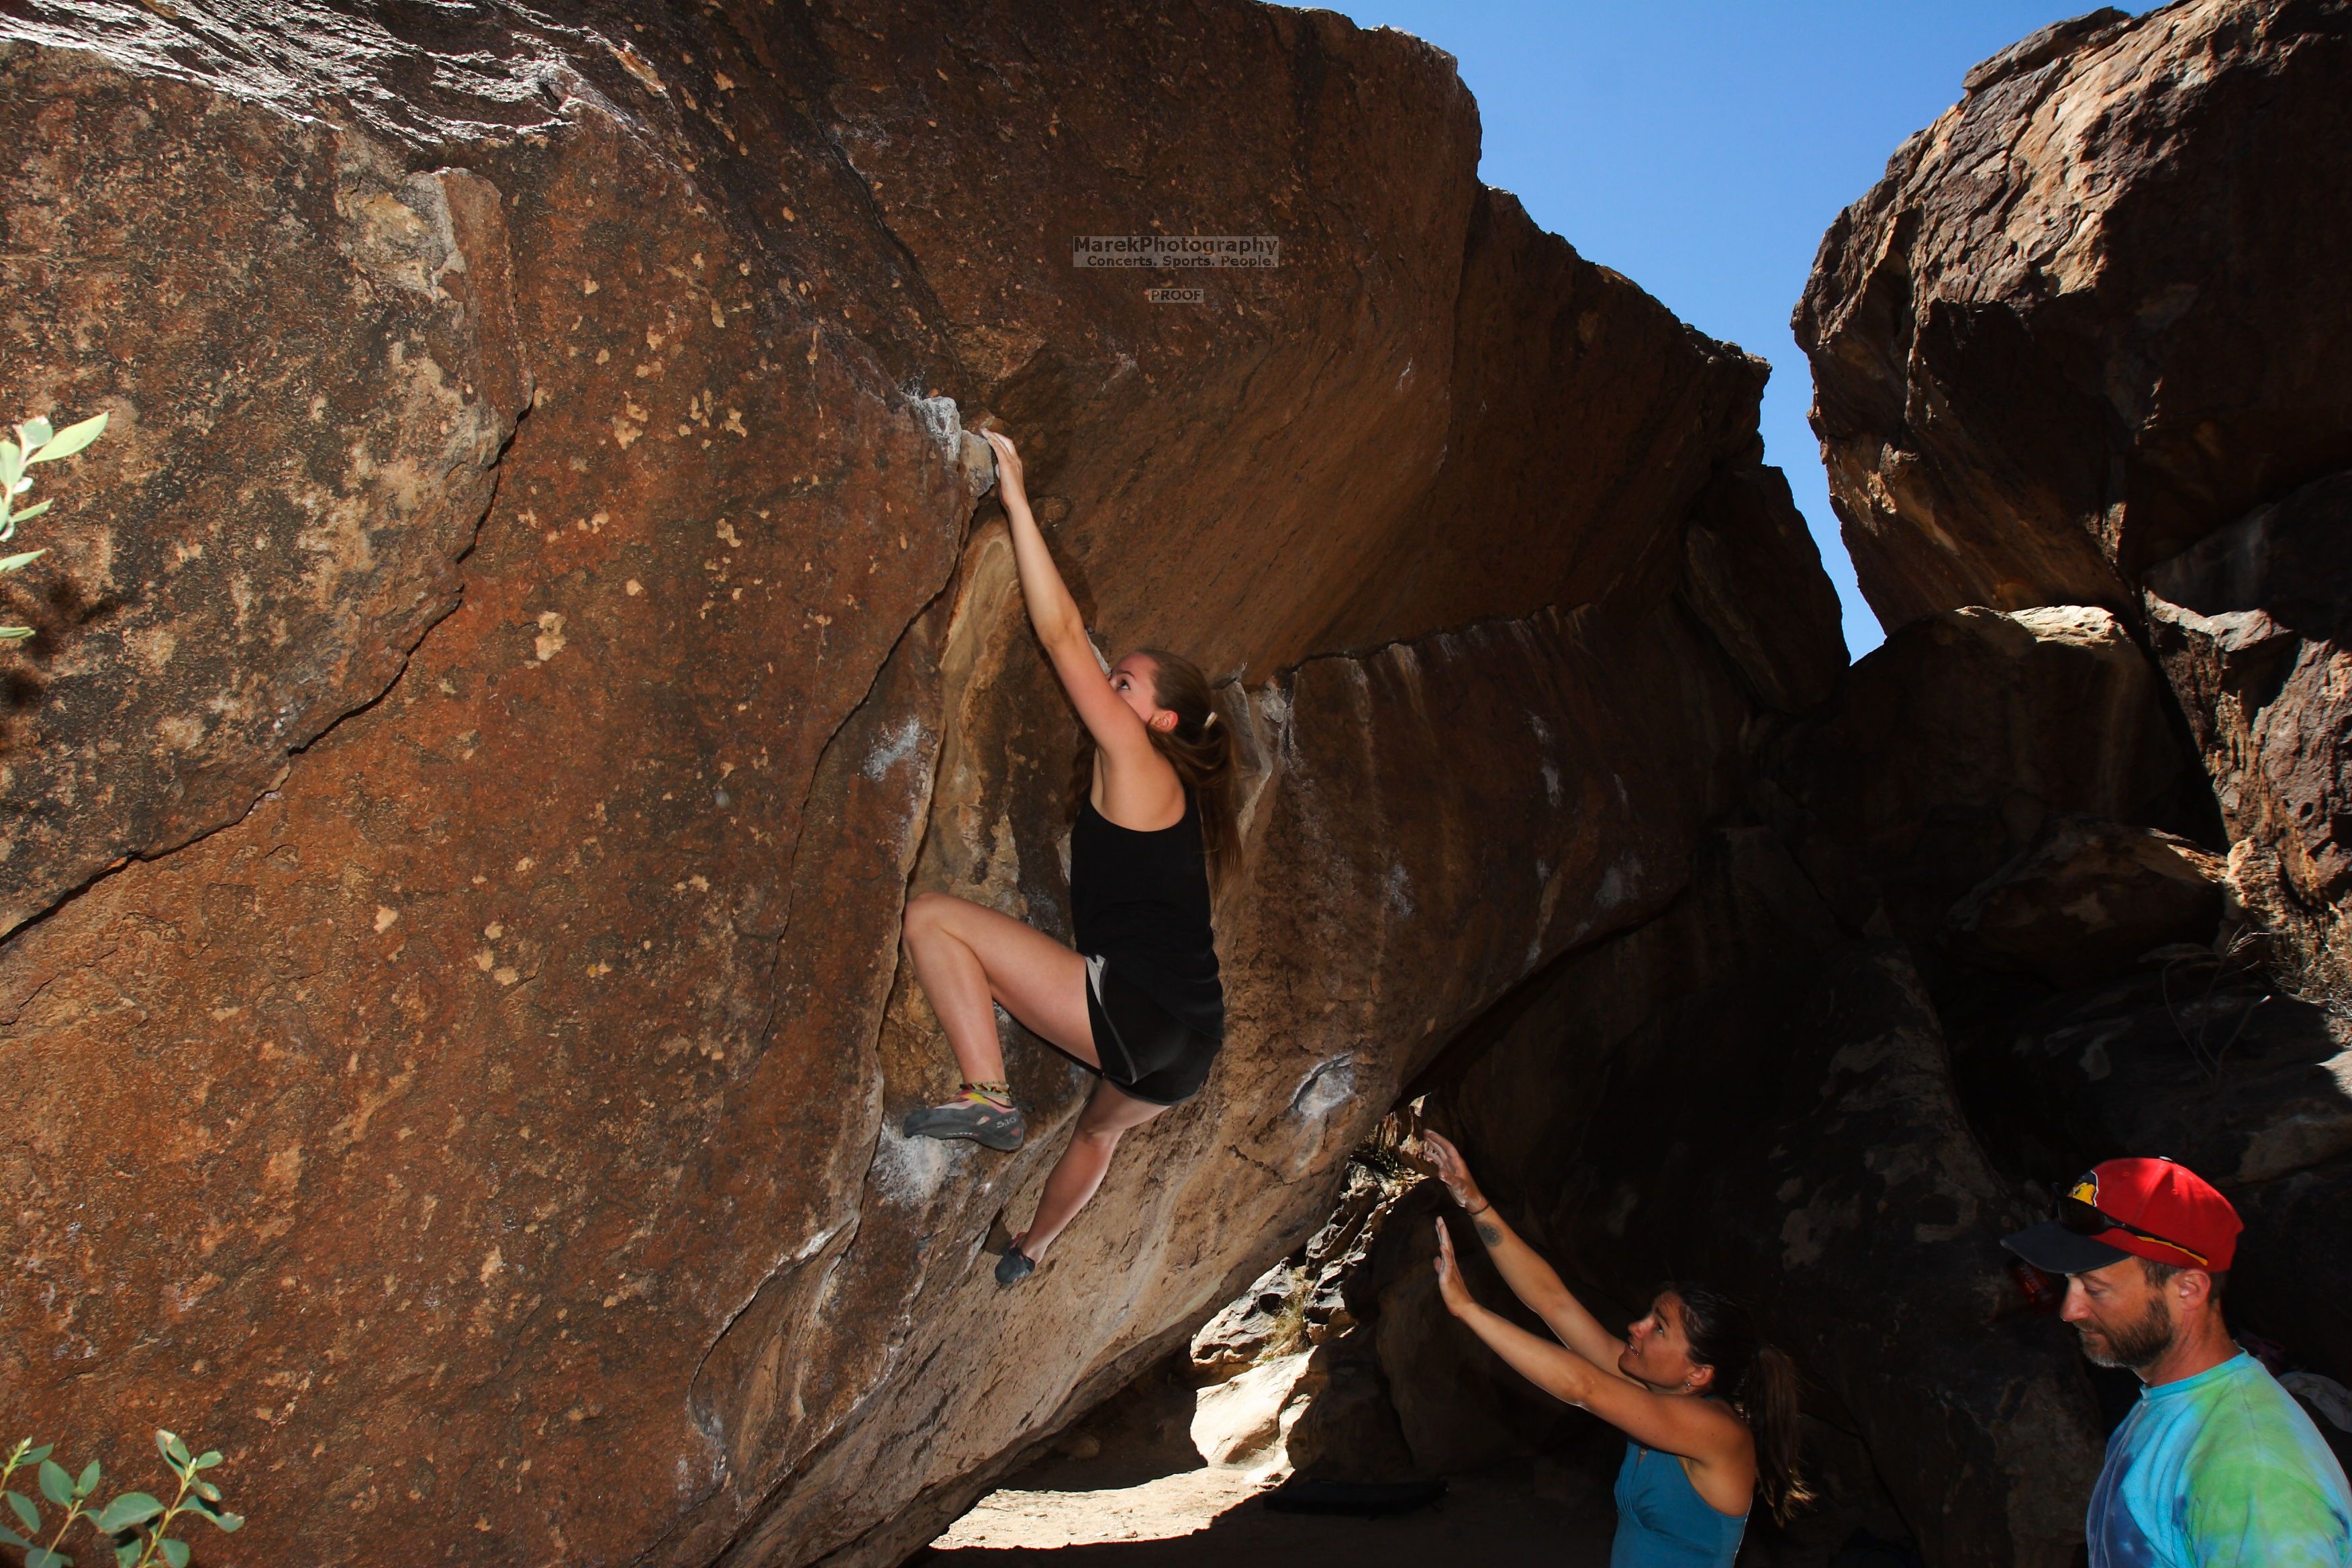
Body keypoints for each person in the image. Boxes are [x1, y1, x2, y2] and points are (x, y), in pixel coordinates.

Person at [898, 427, 1233, 1287]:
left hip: (1140, 1008)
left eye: (1124, 683)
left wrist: (1015, 495)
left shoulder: (1133, 756)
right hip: (1189, 1046)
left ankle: (988, 1096)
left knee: (932, 920)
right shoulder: (1169, 790)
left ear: (1157, 720)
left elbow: (1061, 635)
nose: (1106, 684)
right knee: (1098, 1131)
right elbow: (1082, 651)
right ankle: (1029, 1252)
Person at [1420, 1129, 1808, 1566]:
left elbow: (1583, 1387)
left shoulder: (1718, 1434)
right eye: (1649, 1315)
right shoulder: (1650, 1394)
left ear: (1698, 1374)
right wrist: (1476, 1202)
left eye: (1658, 1328)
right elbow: (1554, 1301)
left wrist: (1469, 1310)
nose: (1635, 1327)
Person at [2002, 1156, 2352, 1567]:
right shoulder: (2167, 1401)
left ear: (2188, 1289)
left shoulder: (2249, 1472)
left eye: (2095, 1289)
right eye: (2069, 1283)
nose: (2069, 1310)